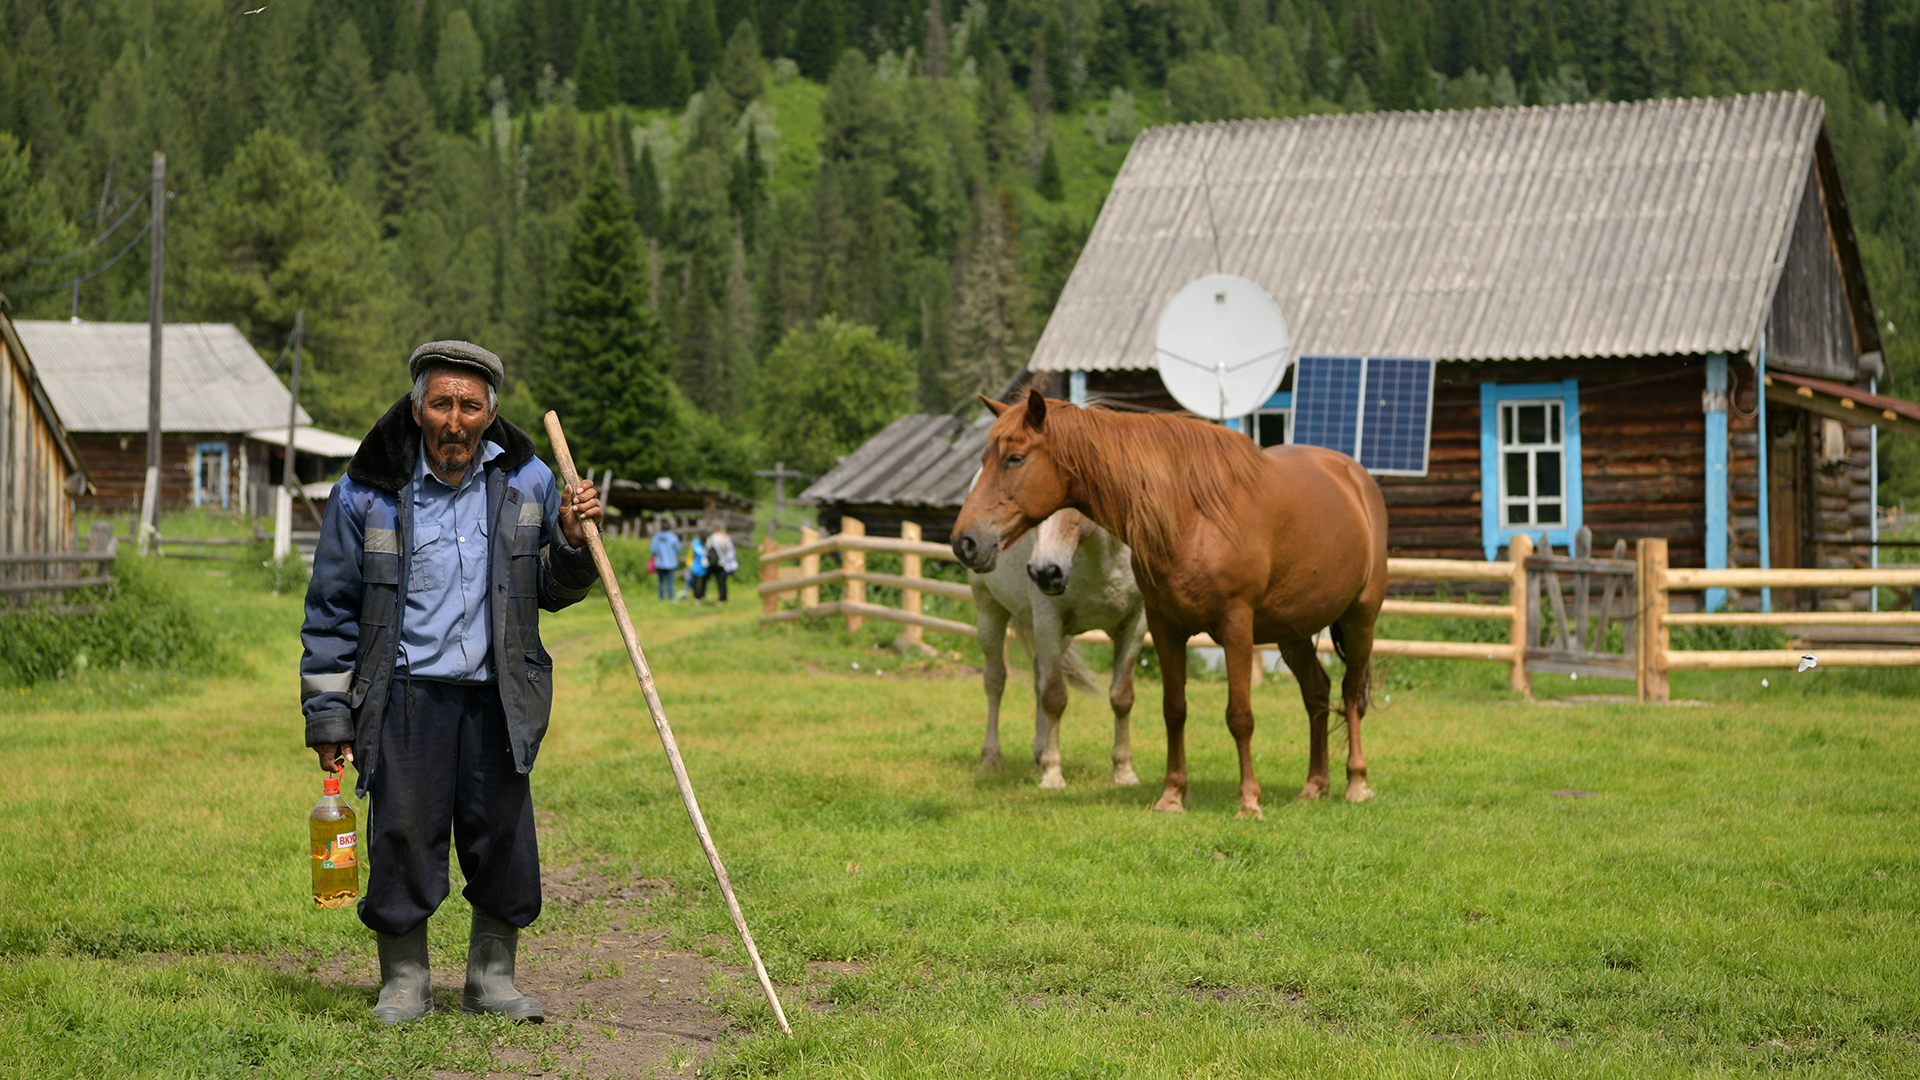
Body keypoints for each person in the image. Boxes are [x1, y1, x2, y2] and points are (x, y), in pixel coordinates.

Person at [299, 341, 603, 1026]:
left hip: (499, 695)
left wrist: (574, 541)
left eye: (470, 405)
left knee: (503, 835)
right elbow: (330, 610)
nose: (455, 419)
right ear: (417, 408)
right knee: (402, 835)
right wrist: (329, 718)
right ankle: (403, 982)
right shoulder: (366, 492)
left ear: (491, 414)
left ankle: (492, 979)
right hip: (404, 694)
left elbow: (554, 589)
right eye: (442, 402)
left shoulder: (529, 483)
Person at [705, 523, 738, 603]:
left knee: (709, 579)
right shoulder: (726, 538)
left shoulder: (712, 538)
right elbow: (731, 551)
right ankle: (723, 597)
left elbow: (708, 548)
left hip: (716, 562)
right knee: (722, 581)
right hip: (725, 562)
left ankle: (700, 596)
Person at [649, 520, 680, 601]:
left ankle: (662, 599)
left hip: (659, 563)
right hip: (671, 563)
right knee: (670, 582)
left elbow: (652, 550)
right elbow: (678, 549)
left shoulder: (656, 538)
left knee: (661, 582)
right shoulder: (673, 537)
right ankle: (671, 598)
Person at [688, 533, 709, 601]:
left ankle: (702, 596)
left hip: (705, 566)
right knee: (695, 583)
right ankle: (696, 597)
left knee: (704, 582)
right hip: (696, 566)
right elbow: (692, 553)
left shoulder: (708, 543)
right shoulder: (696, 543)